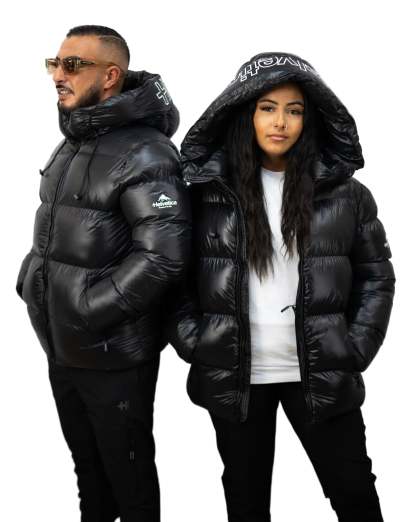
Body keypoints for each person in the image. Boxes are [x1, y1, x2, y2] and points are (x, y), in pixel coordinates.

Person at [169, 52, 395, 521]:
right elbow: (174, 277)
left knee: (354, 492)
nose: (280, 122)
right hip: (236, 375)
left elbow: (377, 275)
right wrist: (197, 342)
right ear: (244, 114)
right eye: (267, 108)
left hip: (320, 371)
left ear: (309, 120)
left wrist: (354, 348)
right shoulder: (207, 194)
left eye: (295, 110)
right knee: (246, 502)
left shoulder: (348, 195)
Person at [16, 25, 190, 522]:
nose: (58, 75)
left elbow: (164, 255)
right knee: (89, 478)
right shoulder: (73, 141)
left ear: (110, 76)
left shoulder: (146, 152)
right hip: (63, 346)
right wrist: (31, 282)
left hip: (113, 355)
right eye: (55, 63)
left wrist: (91, 309)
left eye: (73, 65)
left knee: (130, 486)